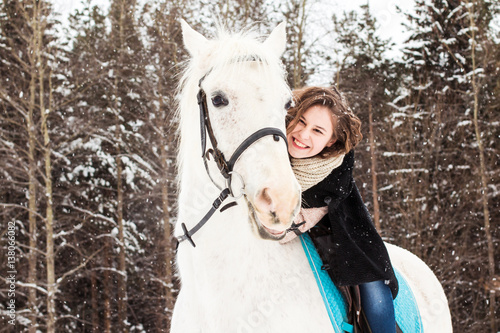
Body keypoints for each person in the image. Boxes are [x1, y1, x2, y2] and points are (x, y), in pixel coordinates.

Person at [281, 86, 398, 333]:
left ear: (331, 140)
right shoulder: (268, 147)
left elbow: (288, 226)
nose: (303, 134)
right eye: (300, 121)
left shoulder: (335, 169)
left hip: (342, 237)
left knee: (375, 299)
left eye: (317, 131)